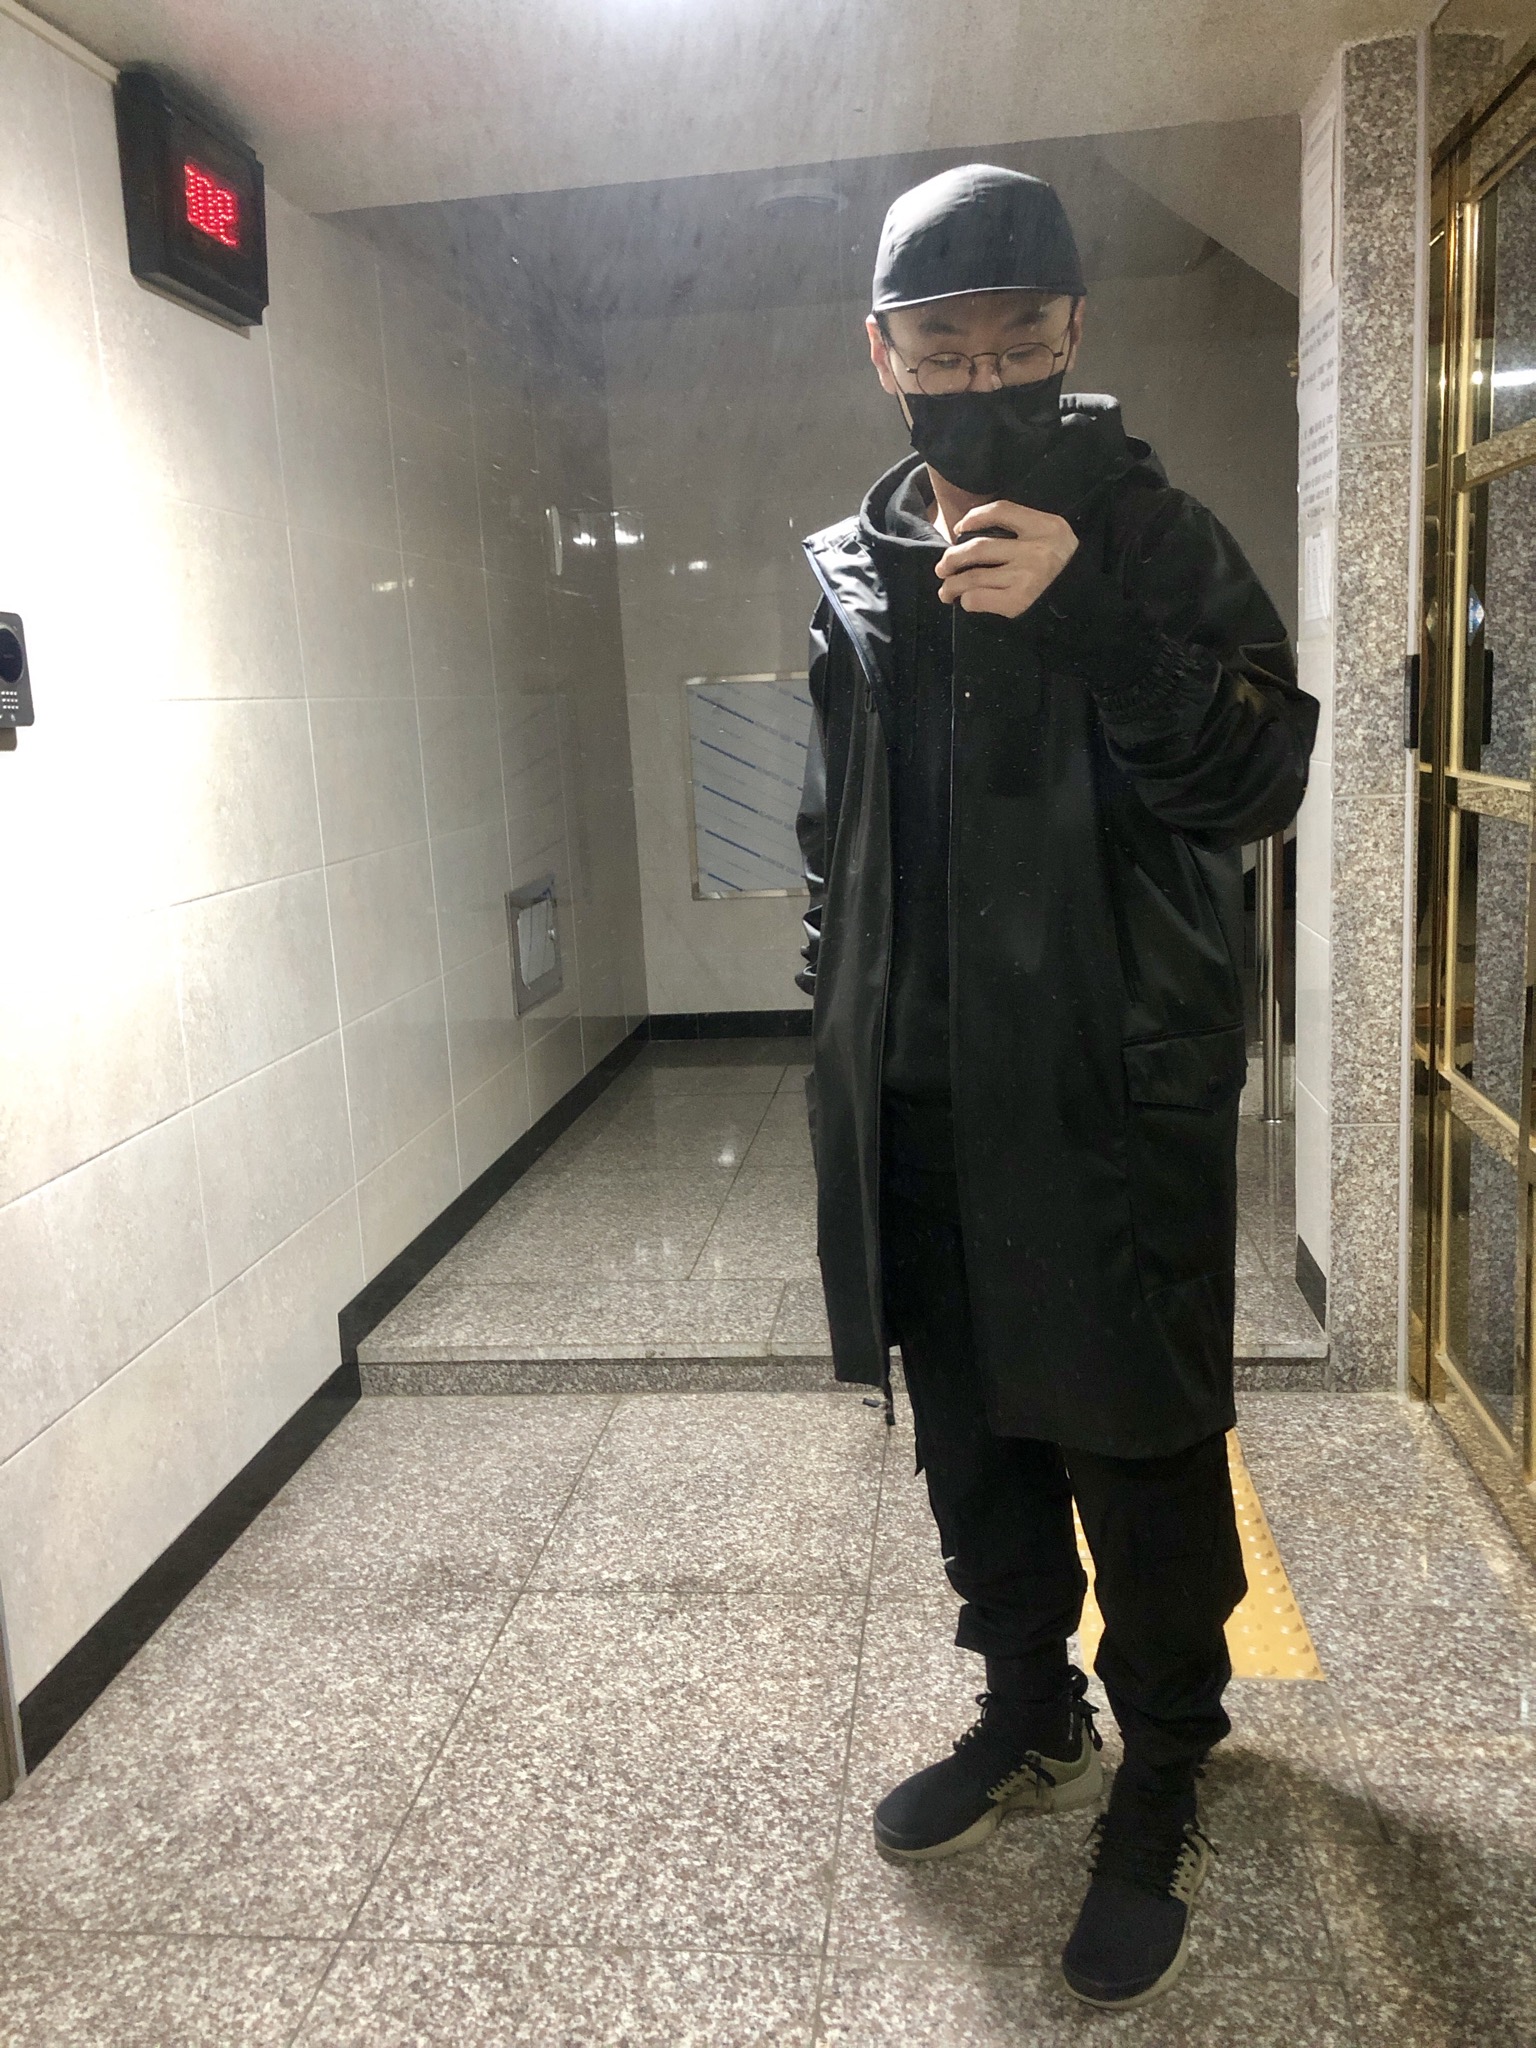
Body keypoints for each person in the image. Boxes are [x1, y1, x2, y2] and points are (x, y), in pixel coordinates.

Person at [794, 164, 1318, 2011]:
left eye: (1019, 342)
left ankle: (1166, 1764)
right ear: (884, 356)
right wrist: (836, 1031)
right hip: (924, 1103)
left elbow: (1257, 782)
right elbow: (835, 832)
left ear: (1075, 334)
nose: (984, 377)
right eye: (944, 350)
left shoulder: (1155, 540)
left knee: (1136, 1448)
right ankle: (1032, 1716)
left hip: (1103, 1094)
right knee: (976, 1440)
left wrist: (1091, 619)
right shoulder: (856, 572)